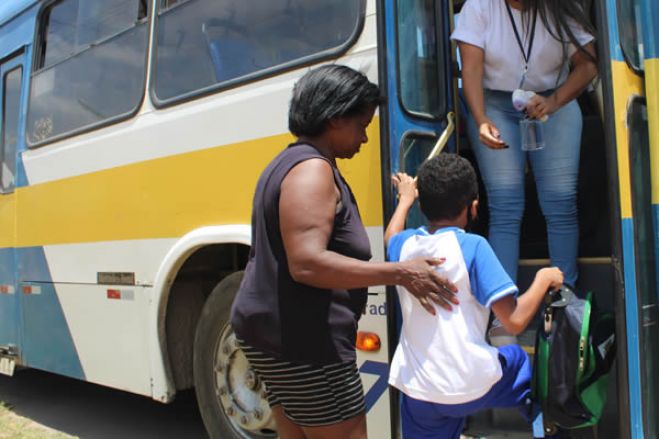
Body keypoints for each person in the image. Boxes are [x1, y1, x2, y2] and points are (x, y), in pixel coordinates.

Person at [230, 64, 458, 439]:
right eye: (362, 125)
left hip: (274, 336)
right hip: (306, 345)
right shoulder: (312, 171)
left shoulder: (287, 163)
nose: (366, 139)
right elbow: (306, 264)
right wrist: (401, 272)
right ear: (335, 119)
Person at [384, 153, 563, 439]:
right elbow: (514, 321)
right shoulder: (473, 247)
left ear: (423, 204)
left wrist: (404, 200)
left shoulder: (405, 248)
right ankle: (550, 426)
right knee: (516, 359)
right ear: (474, 207)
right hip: (471, 387)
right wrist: (543, 279)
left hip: (419, 391)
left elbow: (390, 235)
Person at [451, 0, 598, 290]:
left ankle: (564, 299)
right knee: (505, 204)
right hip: (494, 103)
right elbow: (471, 69)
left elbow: (587, 65)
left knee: (560, 203)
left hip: (555, 100)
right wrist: (480, 119)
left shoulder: (561, 7)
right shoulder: (479, 6)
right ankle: (503, 304)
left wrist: (554, 101)